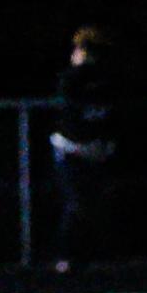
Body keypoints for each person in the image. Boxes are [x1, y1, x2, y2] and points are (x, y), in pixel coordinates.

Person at [49, 26, 120, 273]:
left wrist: (105, 144)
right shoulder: (71, 78)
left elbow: (110, 115)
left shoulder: (106, 78)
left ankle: (91, 258)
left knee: (96, 205)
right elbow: (70, 116)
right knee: (75, 203)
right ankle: (65, 257)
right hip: (71, 149)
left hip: (94, 151)